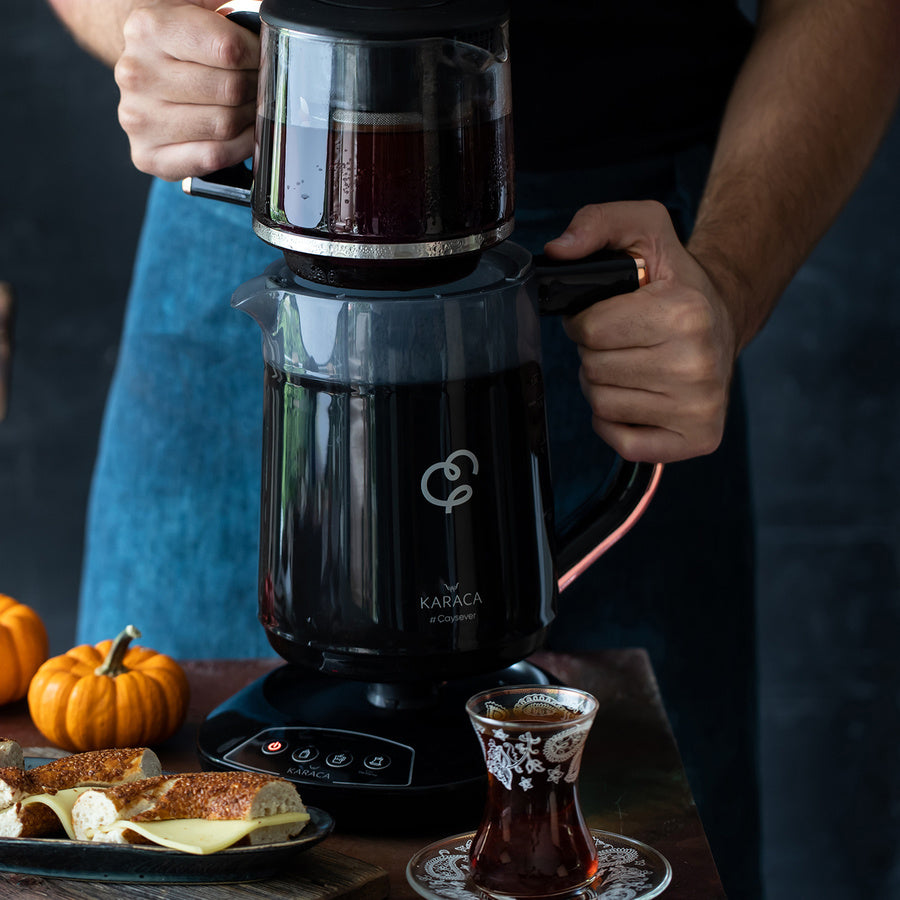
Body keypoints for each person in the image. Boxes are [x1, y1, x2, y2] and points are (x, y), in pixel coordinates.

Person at [44, 0, 900, 896]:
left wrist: (726, 278)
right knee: (151, 843)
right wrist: (147, 27)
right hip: (267, 192)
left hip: (622, 245)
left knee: (626, 841)